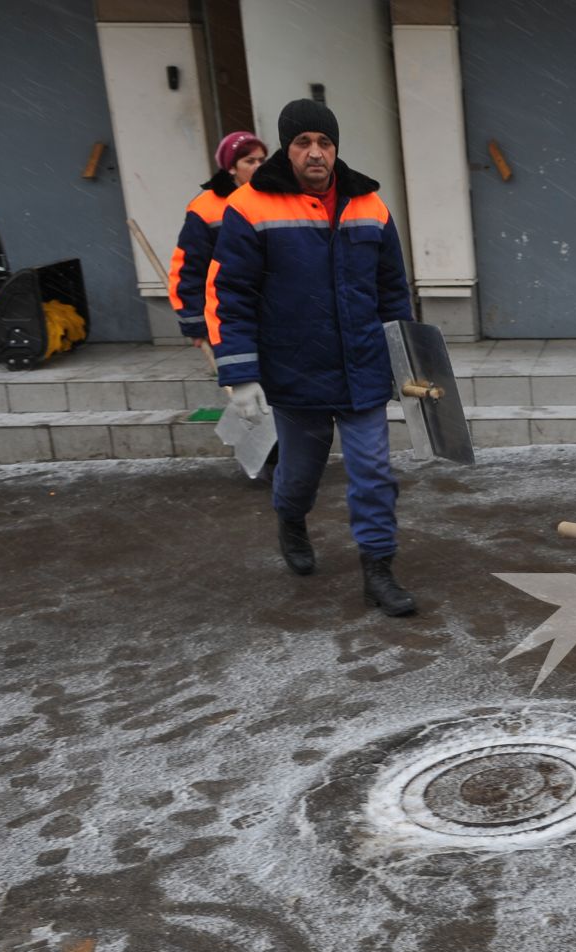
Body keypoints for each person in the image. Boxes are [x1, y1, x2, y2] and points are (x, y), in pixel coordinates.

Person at [206, 99, 417, 617]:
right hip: (295, 368)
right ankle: (291, 518)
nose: (315, 153)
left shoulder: (370, 205)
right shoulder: (251, 206)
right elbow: (230, 293)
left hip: (362, 364)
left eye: (324, 142)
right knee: (301, 473)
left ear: (335, 146)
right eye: (303, 143)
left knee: (372, 471)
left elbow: (392, 290)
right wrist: (241, 374)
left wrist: (407, 354)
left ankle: (379, 569)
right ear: (287, 147)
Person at [167, 131, 266, 349]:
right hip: (227, 316)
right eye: (250, 161)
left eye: (261, 160)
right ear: (231, 167)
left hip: (273, 313)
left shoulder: (274, 199)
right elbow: (188, 269)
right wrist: (195, 323)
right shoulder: (205, 208)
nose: (258, 166)